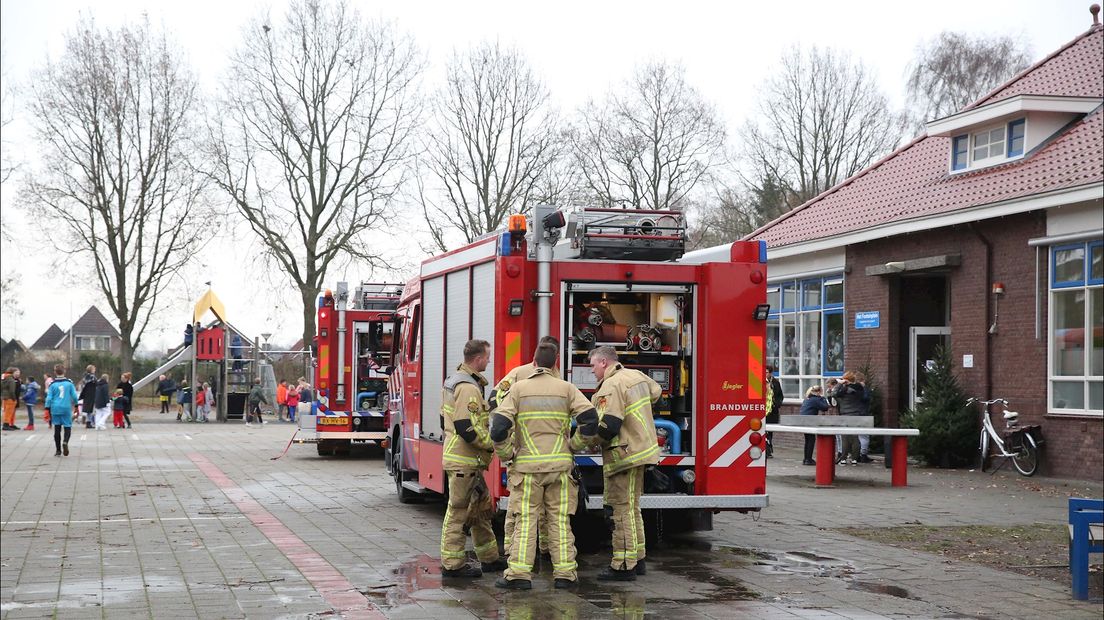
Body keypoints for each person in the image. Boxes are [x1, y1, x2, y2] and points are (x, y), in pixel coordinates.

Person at [490, 342, 596, 590]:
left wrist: (507, 453)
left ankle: (518, 575)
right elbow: (590, 419)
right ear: (555, 362)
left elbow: (498, 427)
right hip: (559, 468)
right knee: (559, 520)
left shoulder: (518, 389)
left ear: (534, 362)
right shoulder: (567, 389)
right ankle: (566, 574)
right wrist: (574, 445)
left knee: (526, 520)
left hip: (527, 471)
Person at [586, 346, 662, 581]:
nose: (591, 371)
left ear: (604, 363)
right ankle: (637, 559)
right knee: (632, 507)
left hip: (624, 454)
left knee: (620, 509)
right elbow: (656, 392)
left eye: (592, 366)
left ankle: (623, 565)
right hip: (642, 450)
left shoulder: (610, 386)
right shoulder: (637, 376)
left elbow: (608, 424)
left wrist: (589, 442)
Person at [437, 339, 505, 579]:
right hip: (464, 462)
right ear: (478, 359)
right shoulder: (468, 387)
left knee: (480, 509)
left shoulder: (457, 381)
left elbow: (445, 420)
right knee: (458, 512)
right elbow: (466, 426)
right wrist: (490, 444)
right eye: (487, 357)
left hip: (467, 461)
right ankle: (452, 565)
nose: (489, 361)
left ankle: (489, 558)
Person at [491, 335, 561, 560]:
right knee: (519, 508)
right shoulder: (520, 374)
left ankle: (544, 549)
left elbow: (495, 400)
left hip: (541, 455)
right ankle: (515, 550)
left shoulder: (553, 377)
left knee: (540, 509)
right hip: (527, 451)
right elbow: (496, 399)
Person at [828, 371, 866, 465]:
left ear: (846, 380)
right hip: (856, 414)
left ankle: (843, 459)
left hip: (845, 414)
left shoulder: (844, 390)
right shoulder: (859, 388)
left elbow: (834, 394)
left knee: (845, 437)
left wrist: (839, 384)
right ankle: (854, 459)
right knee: (855, 437)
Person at [44, 364, 79, 456]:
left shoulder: (52, 385)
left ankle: (58, 450)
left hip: (55, 408)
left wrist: (47, 408)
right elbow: (75, 396)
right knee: (67, 426)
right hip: (66, 408)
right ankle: (65, 442)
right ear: (65, 371)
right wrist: (76, 405)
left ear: (55, 372)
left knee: (57, 428)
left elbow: (49, 398)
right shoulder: (69, 383)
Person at [800, 385, 830, 465]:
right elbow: (825, 407)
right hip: (809, 421)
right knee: (811, 440)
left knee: (807, 440)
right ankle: (808, 459)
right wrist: (823, 398)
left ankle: (806, 458)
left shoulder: (808, 398)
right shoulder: (815, 399)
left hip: (804, 421)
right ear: (818, 392)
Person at [764, 365, 784, 458]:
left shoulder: (775, 383)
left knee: (770, 431)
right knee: (764, 431)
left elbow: (780, 395)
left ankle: (768, 449)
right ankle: (767, 451)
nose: (764, 374)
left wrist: (777, 404)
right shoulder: (760, 381)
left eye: (766, 372)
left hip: (772, 411)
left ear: (770, 373)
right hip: (763, 411)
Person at [856, 372, 874, 463]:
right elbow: (866, 398)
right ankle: (863, 454)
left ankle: (857, 455)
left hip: (854, 414)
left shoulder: (851, 389)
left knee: (857, 436)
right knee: (864, 435)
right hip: (863, 413)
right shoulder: (863, 390)